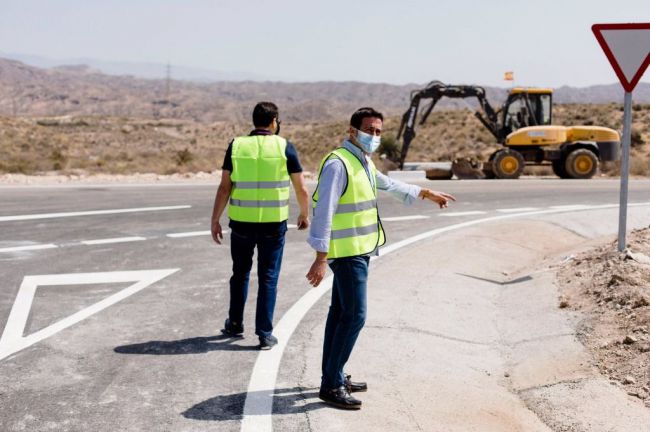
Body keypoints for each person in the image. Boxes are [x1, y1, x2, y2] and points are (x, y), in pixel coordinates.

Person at [306, 107, 456, 409]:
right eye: (369, 130)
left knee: (340, 315)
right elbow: (324, 211)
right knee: (356, 316)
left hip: (358, 249)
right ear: (352, 132)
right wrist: (320, 256)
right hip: (347, 254)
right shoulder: (339, 164)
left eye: (378, 132)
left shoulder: (362, 162)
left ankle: (333, 375)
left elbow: (388, 184)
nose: (374, 136)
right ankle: (331, 385)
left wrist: (425, 192)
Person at [211, 101, 310, 350]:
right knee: (268, 277)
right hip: (272, 226)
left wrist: (215, 219)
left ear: (254, 120)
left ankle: (234, 323)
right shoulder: (284, 146)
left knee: (240, 273)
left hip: (241, 224)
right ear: (274, 120)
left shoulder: (236, 145)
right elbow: (301, 188)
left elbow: (225, 187)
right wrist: (304, 213)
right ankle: (264, 333)